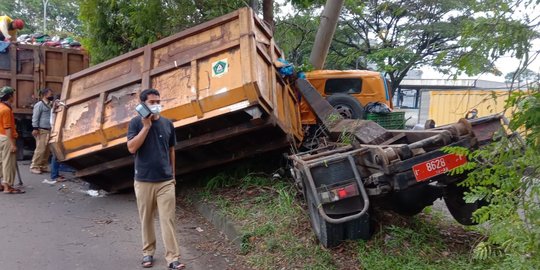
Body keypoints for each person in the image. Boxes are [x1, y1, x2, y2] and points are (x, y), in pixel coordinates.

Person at [127, 88, 184, 269]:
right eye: (152, 102)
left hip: (165, 181)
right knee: (147, 219)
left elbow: (171, 150)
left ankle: (173, 258)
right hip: (143, 180)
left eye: (158, 101)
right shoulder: (135, 123)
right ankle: (148, 253)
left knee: (168, 219)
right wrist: (146, 127)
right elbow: (131, 148)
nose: (156, 105)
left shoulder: (168, 124)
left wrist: (172, 175)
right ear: (143, 104)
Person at [0, 86, 24, 194]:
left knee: (1, 162)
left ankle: (1, 184)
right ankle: (7, 186)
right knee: (8, 163)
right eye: (13, 95)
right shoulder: (6, 110)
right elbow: (8, 128)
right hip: (6, 138)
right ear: (10, 96)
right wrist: (12, 144)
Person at [30, 88, 53, 174]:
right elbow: (35, 117)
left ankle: (42, 166)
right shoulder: (39, 105)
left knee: (47, 150)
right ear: (44, 95)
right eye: (50, 94)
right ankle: (34, 166)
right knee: (40, 149)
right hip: (41, 130)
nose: (51, 96)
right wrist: (35, 128)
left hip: (49, 130)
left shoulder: (50, 104)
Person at [49, 94, 65, 182]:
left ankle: (56, 174)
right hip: (55, 134)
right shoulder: (55, 109)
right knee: (56, 155)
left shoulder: (55, 109)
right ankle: (54, 176)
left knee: (57, 155)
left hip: (55, 133)